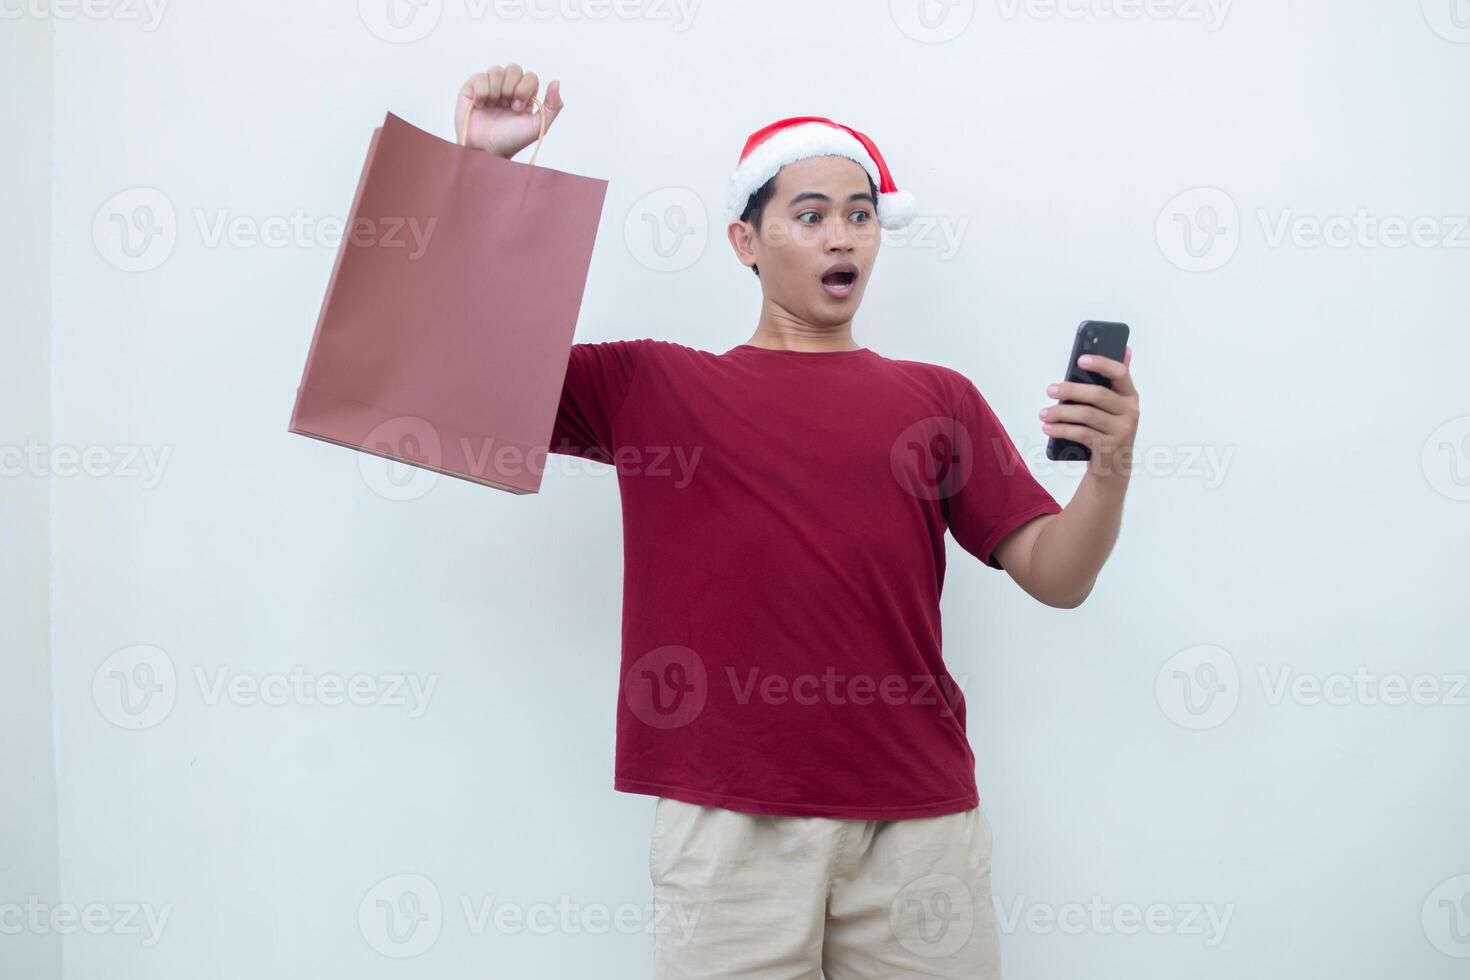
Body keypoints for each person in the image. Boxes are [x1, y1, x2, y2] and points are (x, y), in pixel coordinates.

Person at [456, 64, 1141, 980]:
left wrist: (1111, 468)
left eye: (859, 214)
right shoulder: (654, 386)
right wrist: (483, 176)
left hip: (919, 827)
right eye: (810, 214)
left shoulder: (937, 399)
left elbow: (1058, 576)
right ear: (746, 240)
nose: (840, 235)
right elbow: (471, 372)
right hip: (731, 828)